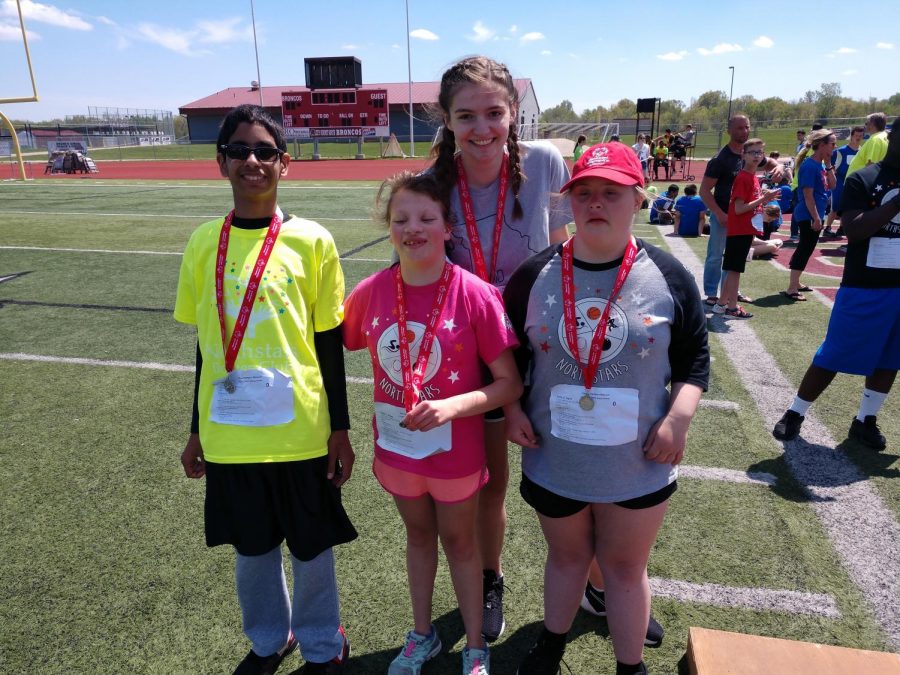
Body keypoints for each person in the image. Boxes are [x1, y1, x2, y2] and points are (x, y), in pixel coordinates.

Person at [503, 142, 709, 675]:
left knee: (623, 568)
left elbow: (695, 362)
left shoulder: (668, 275)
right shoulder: (533, 275)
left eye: (611, 193)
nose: (597, 203)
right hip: (556, 456)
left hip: (637, 462)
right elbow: (510, 363)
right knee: (567, 558)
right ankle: (551, 643)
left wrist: (677, 418)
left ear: (638, 199)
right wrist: (512, 412)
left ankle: (629, 665)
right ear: (568, 201)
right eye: (585, 193)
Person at [174, 104, 357, 675]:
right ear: (220, 162)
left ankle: (324, 643)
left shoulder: (312, 241)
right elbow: (206, 345)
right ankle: (269, 639)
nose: (251, 161)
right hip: (230, 433)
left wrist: (340, 429)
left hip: (301, 430)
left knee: (311, 548)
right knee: (252, 551)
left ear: (285, 163)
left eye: (264, 151)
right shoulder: (204, 242)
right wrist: (196, 430)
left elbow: (328, 342)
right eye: (238, 151)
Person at [343, 171, 523, 675]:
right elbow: (332, 336)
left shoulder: (476, 294)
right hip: (397, 449)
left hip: (456, 454)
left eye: (426, 218)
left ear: (448, 228)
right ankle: (422, 636)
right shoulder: (371, 292)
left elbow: (509, 383)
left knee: (461, 544)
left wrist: (453, 406)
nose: (412, 228)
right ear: (389, 227)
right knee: (418, 539)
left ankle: (474, 649)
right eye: (400, 219)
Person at [429, 55, 573, 643]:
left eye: (494, 112)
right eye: (466, 116)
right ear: (446, 119)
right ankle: (492, 578)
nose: (481, 128)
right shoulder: (434, 181)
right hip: (476, 357)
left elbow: (565, 248)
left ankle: (592, 580)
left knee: (570, 468)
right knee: (489, 482)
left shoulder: (544, 163)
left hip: (543, 344)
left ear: (514, 113)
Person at [773, 117, 900, 450]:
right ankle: (796, 412)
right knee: (834, 353)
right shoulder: (864, 178)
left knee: (891, 357)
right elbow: (855, 229)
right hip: (865, 283)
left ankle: (865, 419)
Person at [700, 115, 783, 307]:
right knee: (716, 254)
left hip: (745, 217)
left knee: (737, 256)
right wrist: (719, 214)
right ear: (729, 130)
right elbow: (704, 190)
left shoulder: (751, 153)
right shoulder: (720, 159)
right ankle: (712, 292)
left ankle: (731, 292)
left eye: (746, 127)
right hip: (725, 215)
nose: (744, 131)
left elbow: (770, 162)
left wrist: (779, 166)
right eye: (739, 128)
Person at [712, 138, 781, 318]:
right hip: (740, 229)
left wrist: (762, 196)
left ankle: (721, 305)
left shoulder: (751, 177)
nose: (757, 156)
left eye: (760, 152)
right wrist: (764, 200)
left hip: (744, 229)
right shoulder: (744, 177)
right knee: (735, 271)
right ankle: (732, 308)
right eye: (753, 152)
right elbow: (739, 208)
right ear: (743, 154)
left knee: (733, 269)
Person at [781, 129, 837, 301]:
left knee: (807, 247)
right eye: (832, 144)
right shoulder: (809, 166)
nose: (835, 148)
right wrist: (815, 217)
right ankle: (791, 287)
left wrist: (828, 165)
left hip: (815, 213)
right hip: (808, 214)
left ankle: (796, 282)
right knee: (805, 248)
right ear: (821, 145)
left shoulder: (820, 165)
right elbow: (807, 195)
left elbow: (833, 185)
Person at [823, 125, 865, 238]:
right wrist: (831, 175)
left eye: (861, 136)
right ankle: (827, 228)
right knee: (836, 206)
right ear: (851, 136)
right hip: (840, 181)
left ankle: (842, 228)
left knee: (848, 206)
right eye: (856, 135)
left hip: (854, 183)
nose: (858, 138)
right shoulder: (840, 151)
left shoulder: (863, 151)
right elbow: (829, 164)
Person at [846, 112, 889, 177]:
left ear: (872, 124)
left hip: (859, 183)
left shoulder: (875, 139)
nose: (865, 125)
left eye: (866, 123)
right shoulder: (885, 136)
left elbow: (871, 166)